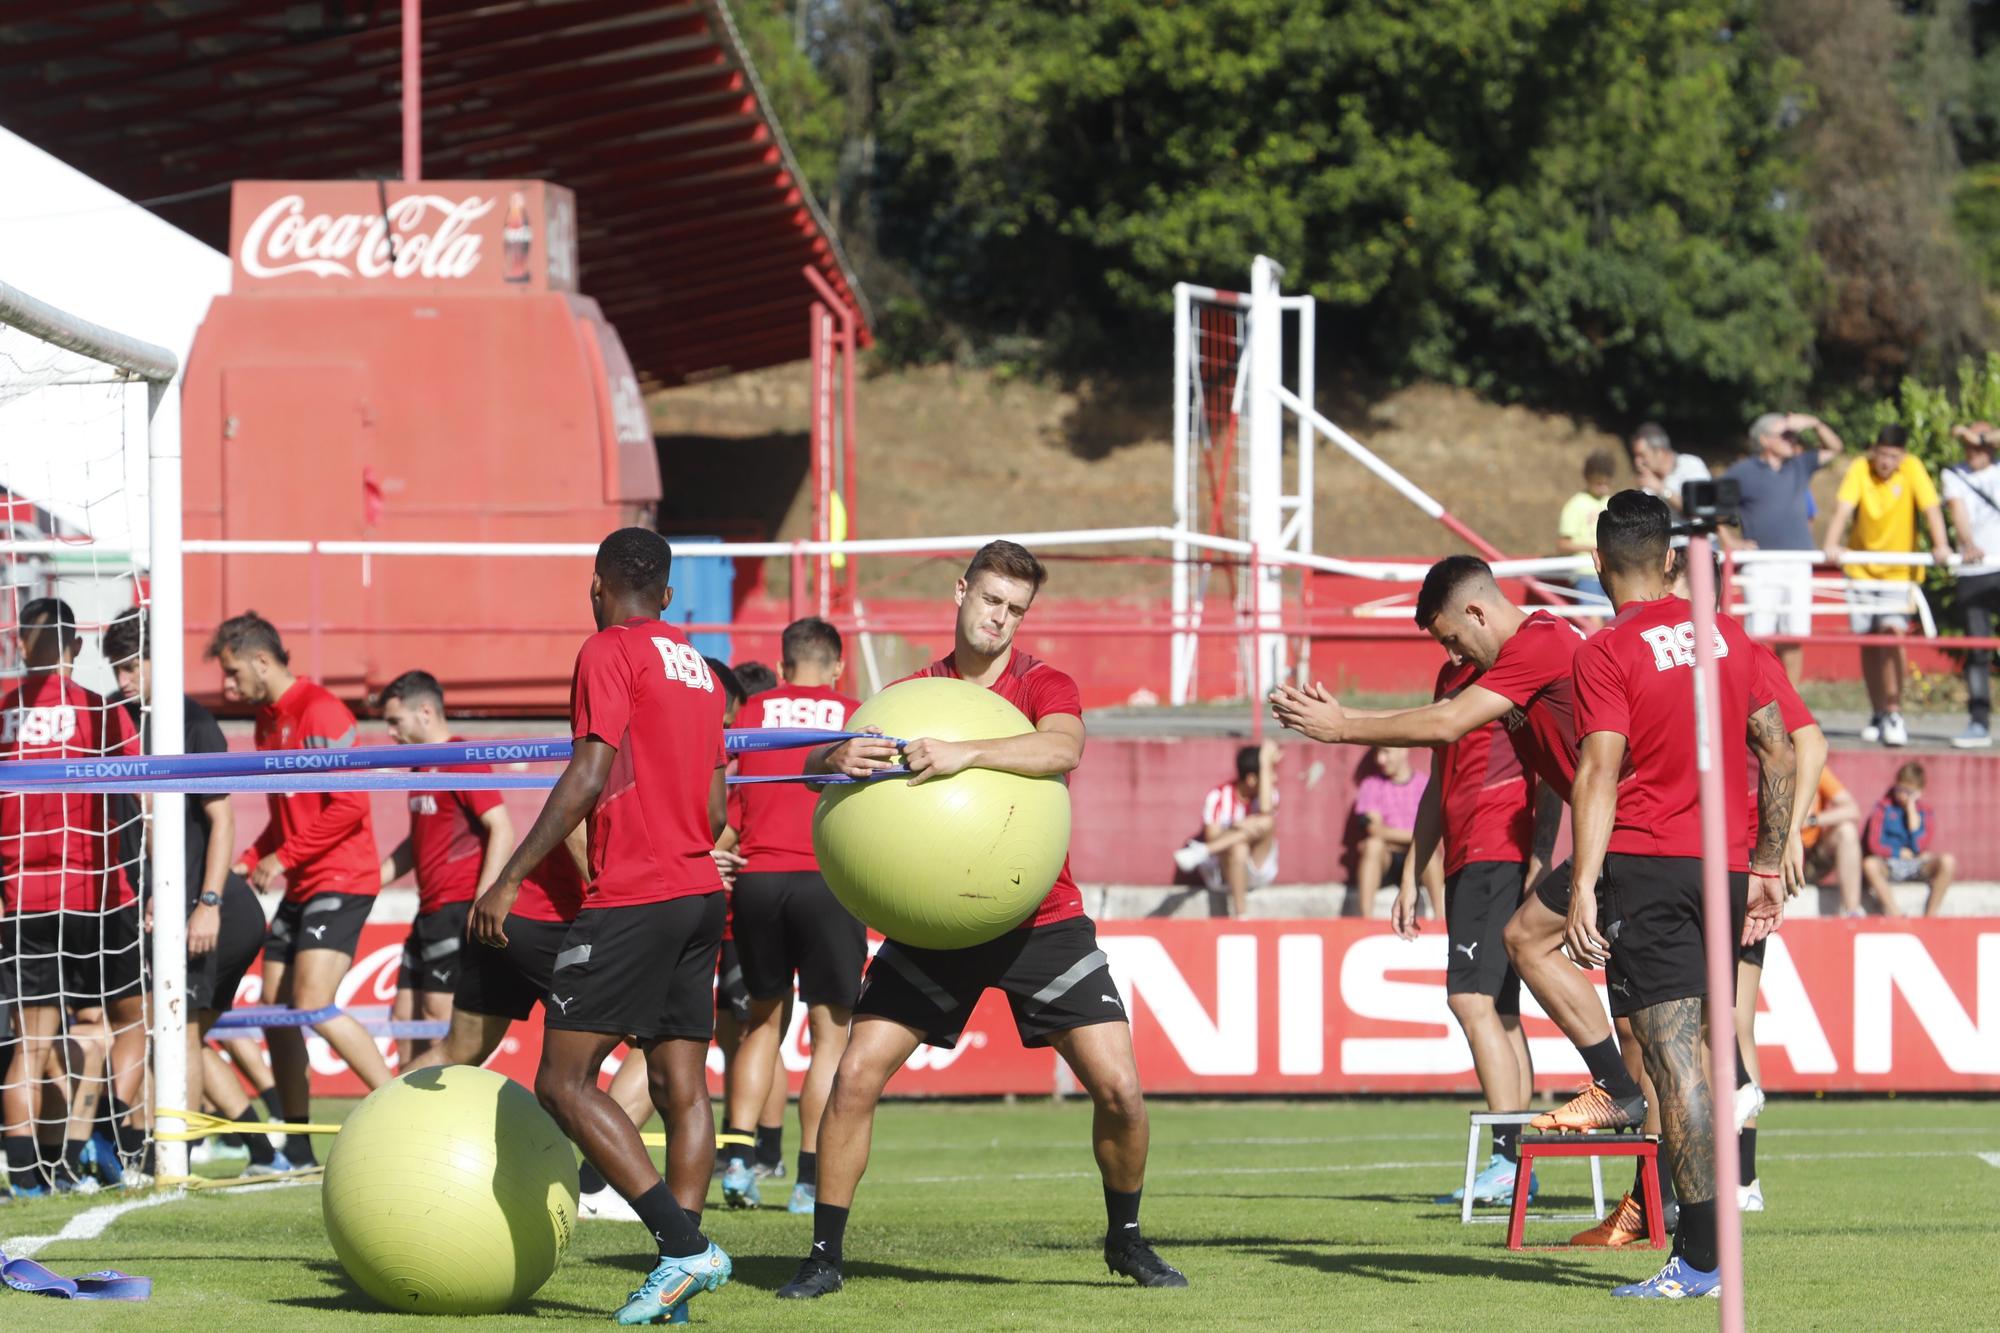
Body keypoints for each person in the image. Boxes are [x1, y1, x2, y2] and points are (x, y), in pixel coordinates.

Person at [778, 540, 1186, 1300]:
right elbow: (811, 774)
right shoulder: (910, 694)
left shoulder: (1044, 682)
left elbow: (1064, 747)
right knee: (855, 1074)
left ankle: (1126, 1239)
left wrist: (967, 753)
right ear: (962, 591)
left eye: (1015, 609)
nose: (1000, 618)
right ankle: (825, 1255)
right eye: (991, 600)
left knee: (1122, 1091)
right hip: (933, 923)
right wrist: (839, 755)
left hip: (1042, 916)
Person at [467, 528, 732, 1322]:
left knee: (561, 1081)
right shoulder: (699, 668)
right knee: (682, 1087)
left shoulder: (608, 649)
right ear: (669, 591)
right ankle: (678, 1285)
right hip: (697, 891)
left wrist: (508, 877)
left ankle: (682, 1248)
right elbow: (718, 809)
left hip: (637, 894)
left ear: (596, 585)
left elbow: (587, 772)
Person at [1564, 489, 1792, 1298]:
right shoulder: (1728, 633)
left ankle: (1698, 1259)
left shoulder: (1605, 650)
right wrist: (1766, 862)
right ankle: (1705, 1239)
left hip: (1651, 862)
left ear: (1598, 564)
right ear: (1669, 558)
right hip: (1726, 868)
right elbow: (1779, 747)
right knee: (1706, 1046)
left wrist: (1583, 884)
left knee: (1672, 1064)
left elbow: (1598, 767)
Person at [103, 611, 285, 1176]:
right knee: (183, 1035)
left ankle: (170, 1155)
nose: (124, 677)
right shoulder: (118, 720)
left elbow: (222, 818)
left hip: (214, 907)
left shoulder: (190, 720)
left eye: (133, 665)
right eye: (117, 667)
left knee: (174, 1029)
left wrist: (206, 903)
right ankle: (262, 1150)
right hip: (172, 900)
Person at [209, 611, 392, 1164]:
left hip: (342, 877)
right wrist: (250, 857)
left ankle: (402, 1110)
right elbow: (288, 812)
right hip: (302, 880)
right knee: (274, 1009)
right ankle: (299, 1143)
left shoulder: (320, 710)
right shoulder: (267, 721)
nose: (227, 686)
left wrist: (282, 857)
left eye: (234, 673)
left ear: (263, 660)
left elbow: (350, 805)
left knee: (310, 1002)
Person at [1392, 652, 1552, 1206]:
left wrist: (1542, 855)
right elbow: (1439, 781)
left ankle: (1508, 1158)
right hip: (1465, 853)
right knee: (1501, 1010)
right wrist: (1412, 874)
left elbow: (1553, 765)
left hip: (1495, 847)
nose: (1448, 641)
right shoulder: (1450, 675)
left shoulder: (1509, 669)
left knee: (1470, 999)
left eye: (1448, 627)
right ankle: (1516, 1164)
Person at [718, 618, 865, 1217]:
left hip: (757, 880)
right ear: (836, 667)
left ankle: (737, 1159)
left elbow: (720, 791)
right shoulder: (857, 714)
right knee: (830, 1035)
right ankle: (809, 1180)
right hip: (827, 880)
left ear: (781, 669)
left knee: (761, 1025)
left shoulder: (750, 712)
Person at [1, 599, 145, 1195]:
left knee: (31, 1043)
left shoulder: (5, 709)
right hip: (97, 893)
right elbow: (147, 797)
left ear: (20, 644)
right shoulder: (102, 712)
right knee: (130, 1021)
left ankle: (31, 1178)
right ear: (76, 647)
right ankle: (111, 1139)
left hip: (21, 897)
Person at [374, 671, 515, 1066]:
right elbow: (417, 842)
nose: (389, 732)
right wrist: (372, 879)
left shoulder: (461, 758)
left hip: (458, 911)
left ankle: (446, 1118)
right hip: (428, 912)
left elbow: (501, 827)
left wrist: (484, 900)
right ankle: (405, 1118)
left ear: (424, 712)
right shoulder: (420, 768)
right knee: (402, 1020)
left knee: (440, 1019)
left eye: (394, 721)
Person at [1821, 424, 1956, 747]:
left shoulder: (1912, 469)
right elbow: (1843, 509)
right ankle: (1878, 710)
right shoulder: (1859, 469)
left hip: (1899, 570)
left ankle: (1895, 711)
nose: (1886, 462)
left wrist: (1941, 545)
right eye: (1882, 454)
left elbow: (1931, 509)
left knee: (1892, 635)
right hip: (1861, 569)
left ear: (1903, 455)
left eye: (1893, 456)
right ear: (1873, 450)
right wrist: (1831, 544)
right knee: (1868, 641)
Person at [1723, 412, 1844, 684]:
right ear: (1764, 440)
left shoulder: (1800, 465)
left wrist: (1815, 422)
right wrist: (1730, 541)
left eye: (1793, 435)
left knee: (1794, 637)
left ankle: (1791, 709)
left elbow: (1835, 448)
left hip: (1798, 563)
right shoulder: (1744, 471)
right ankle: (1761, 708)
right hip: (1762, 565)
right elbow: (1712, 505)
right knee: (1759, 638)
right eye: (1785, 435)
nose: (1793, 440)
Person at [1175, 740, 1281, 918]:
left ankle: (1201, 852)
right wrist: (1238, 827)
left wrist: (1264, 760)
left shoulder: (1268, 795)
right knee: (1238, 848)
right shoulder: (1218, 797)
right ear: (1251, 779)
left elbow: (1265, 812)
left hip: (1258, 867)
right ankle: (1241, 916)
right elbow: (1212, 836)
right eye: (1270, 772)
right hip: (1224, 871)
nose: (1275, 778)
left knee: (1266, 822)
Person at [1944, 422, 2000, 748]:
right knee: (1977, 648)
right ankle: (1979, 722)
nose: (1975, 451)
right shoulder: (1954, 474)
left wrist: (1975, 434)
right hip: (1975, 570)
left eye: (1981, 445)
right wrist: (1967, 543)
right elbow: (1958, 511)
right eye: (1970, 446)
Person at [1349, 745, 1438, 919]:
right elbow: (1374, 830)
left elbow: (1435, 832)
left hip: (1418, 859)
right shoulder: (1371, 785)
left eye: (1386, 752)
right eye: (1377, 753)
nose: (1380, 759)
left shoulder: (1424, 784)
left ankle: (1441, 920)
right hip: (1387, 860)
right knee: (1373, 846)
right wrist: (1417, 836)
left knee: (1431, 853)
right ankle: (1365, 920)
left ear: (1403, 750)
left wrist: (1391, 834)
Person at [1861, 762, 1953, 917]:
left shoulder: (1925, 812)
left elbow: (1919, 847)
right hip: (1890, 863)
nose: (1903, 796)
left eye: (1908, 792)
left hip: (1916, 863)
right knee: (1869, 865)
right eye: (1900, 790)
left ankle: (1931, 916)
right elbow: (1874, 844)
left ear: (1918, 792)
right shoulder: (1883, 808)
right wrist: (1897, 852)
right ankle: (1896, 915)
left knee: (1948, 861)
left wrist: (1911, 810)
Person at [1556, 451, 1617, 621]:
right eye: (1598, 483)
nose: (1603, 488)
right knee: (1594, 619)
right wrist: (1592, 548)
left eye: (1607, 483)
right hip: (1586, 572)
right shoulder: (1575, 505)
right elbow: (1563, 543)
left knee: (1615, 619)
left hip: (1609, 571)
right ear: (1588, 478)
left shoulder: (1611, 503)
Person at [1798, 766, 1864, 917]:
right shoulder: (1774, 764)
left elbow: (1853, 810)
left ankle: (1852, 912)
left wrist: (1810, 820)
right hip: (1777, 850)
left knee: (1847, 831)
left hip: (1811, 855)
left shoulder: (1816, 769)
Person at [1630, 423, 1710, 515]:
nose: (1637, 462)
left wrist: (1662, 490)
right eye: (1635, 456)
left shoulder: (1691, 465)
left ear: (1659, 452)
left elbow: (1702, 510)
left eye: (1642, 455)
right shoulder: (1648, 481)